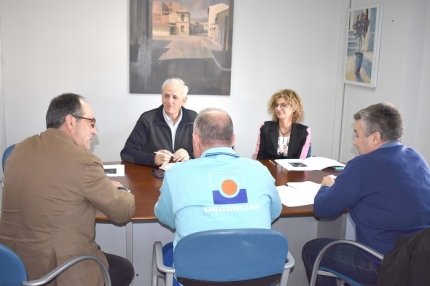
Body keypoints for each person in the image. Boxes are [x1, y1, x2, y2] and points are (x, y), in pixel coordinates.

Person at [0, 93, 136, 286]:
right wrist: (122, 191)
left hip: (10, 268)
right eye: (91, 122)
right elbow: (122, 213)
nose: (95, 130)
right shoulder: (84, 162)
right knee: (124, 269)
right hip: (55, 273)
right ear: (70, 122)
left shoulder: (17, 151)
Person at [302, 103, 430, 286]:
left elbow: (323, 209)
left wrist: (326, 186)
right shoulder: (416, 158)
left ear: (375, 137)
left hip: (383, 264)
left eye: (357, 134)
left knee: (312, 250)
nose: (354, 141)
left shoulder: (361, 165)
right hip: (419, 263)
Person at [154, 108, 282, 285]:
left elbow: (165, 217)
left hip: (196, 278)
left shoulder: (176, 173)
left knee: (168, 251)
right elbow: (274, 212)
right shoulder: (260, 170)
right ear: (233, 140)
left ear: (196, 139)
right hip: (255, 276)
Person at [120, 78, 197, 167]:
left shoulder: (194, 119)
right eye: (166, 96)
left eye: (175, 97)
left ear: (183, 100)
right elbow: (127, 153)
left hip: (185, 174)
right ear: (162, 97)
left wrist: (190, 156)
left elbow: (207, 152)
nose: (169, 101)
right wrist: (153, 159)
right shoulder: (147, 119)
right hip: (154, 176)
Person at [254, 89, 311, 160]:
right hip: (268, 169)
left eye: (283, 105)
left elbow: (301, 161)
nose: (278, 108)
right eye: (276, 105)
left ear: (294, 108)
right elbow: (259, 156)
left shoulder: (304, 131)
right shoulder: (265, 127)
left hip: (293, 171)